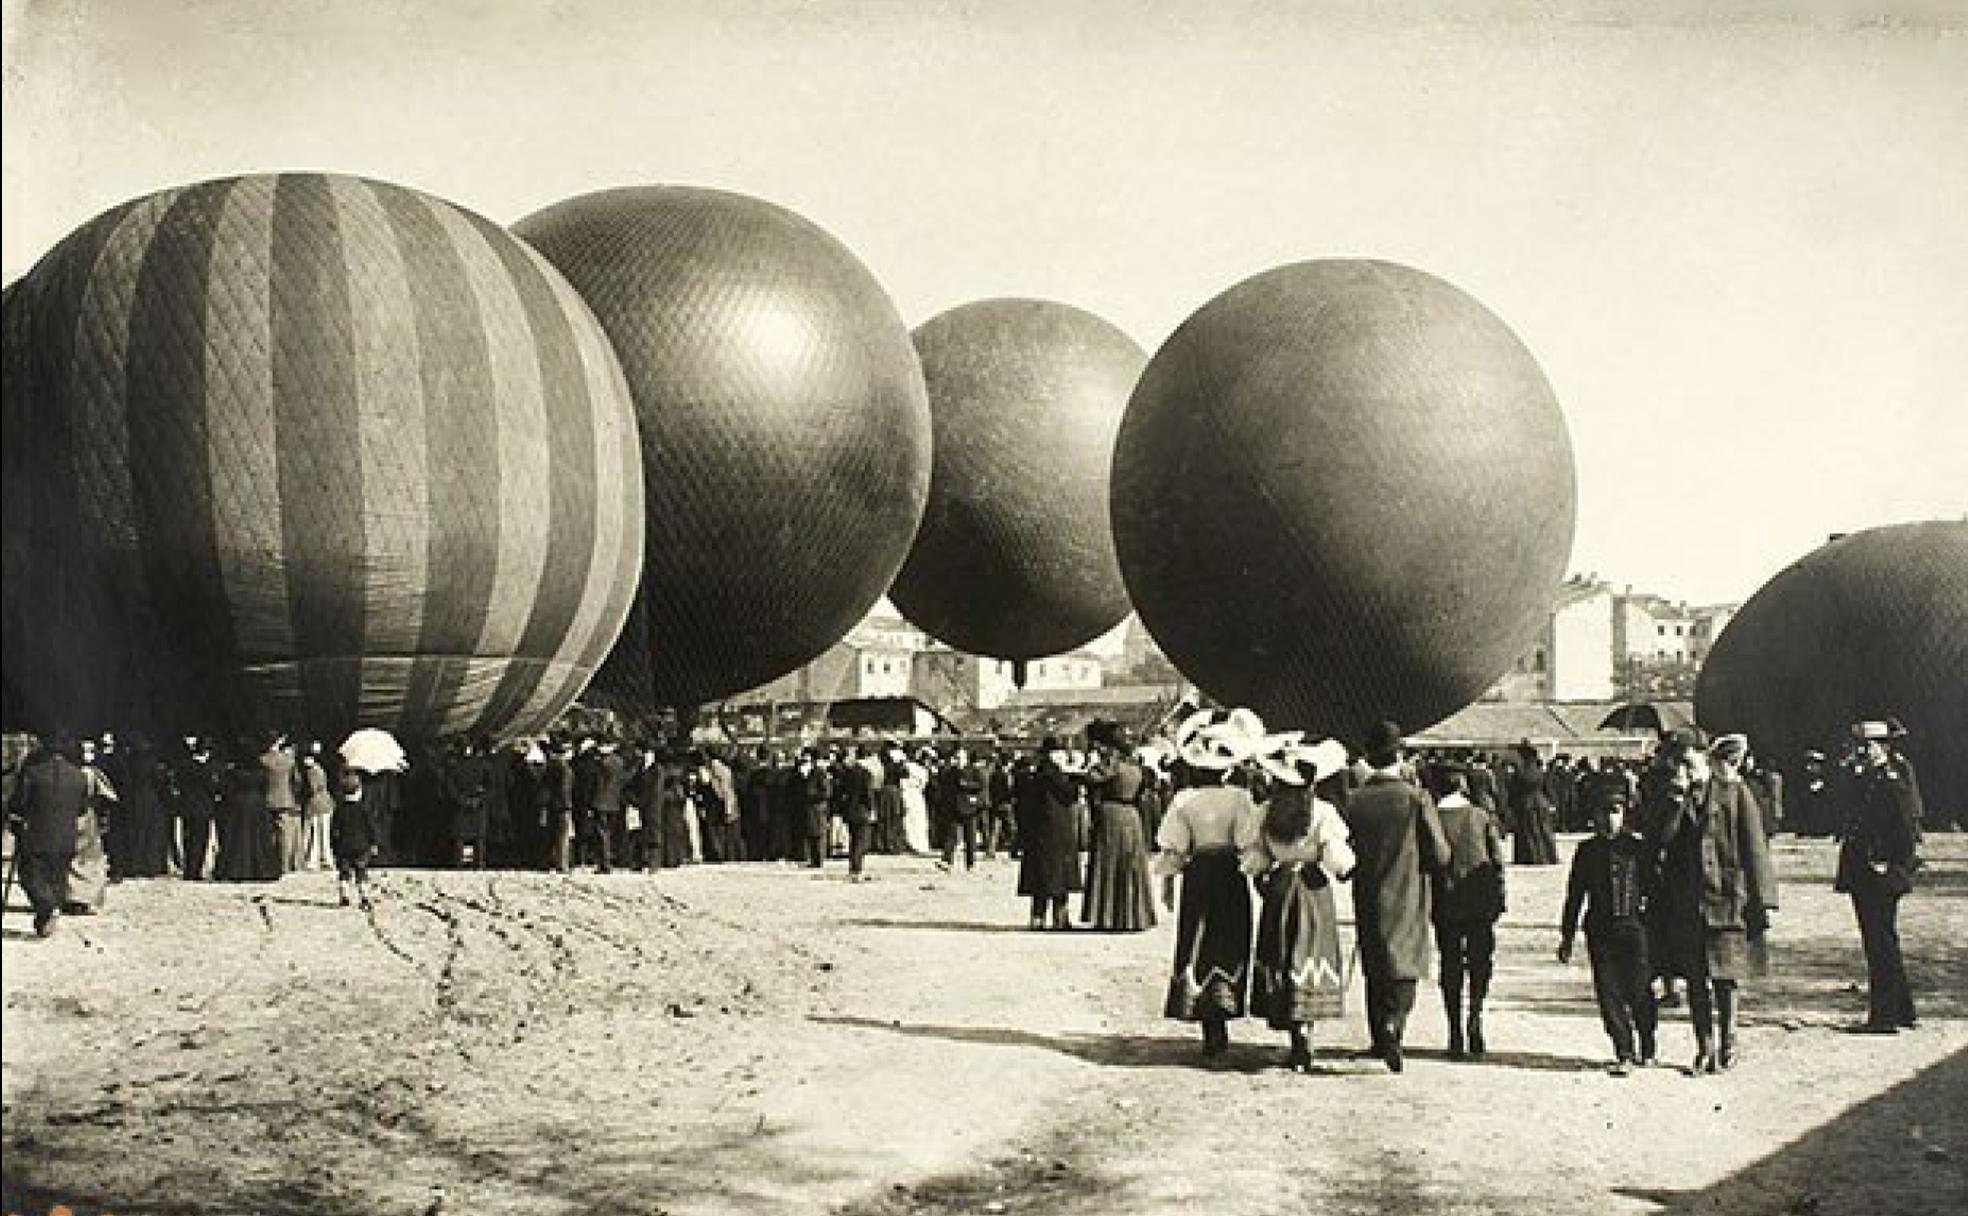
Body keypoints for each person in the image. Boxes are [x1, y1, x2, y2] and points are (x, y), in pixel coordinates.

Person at [1647, 732, 1777, 1074]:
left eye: (1690, 762)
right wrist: (1675, 802)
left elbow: (1755, 845)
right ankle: (1704, 1047)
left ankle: (1729, 1041)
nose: (1684, 770)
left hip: (1727, 897)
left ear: (1705, 759)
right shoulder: (1676, 798)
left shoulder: (1734, 792)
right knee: (1695, 977)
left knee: (1726, 976)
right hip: (1687, 901)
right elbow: (1660, 841)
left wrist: (1762, 898)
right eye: (1679, 764)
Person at [1242, 740, 1355, 1072]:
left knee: (1283, 952)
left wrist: (1262, 876)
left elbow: (1255, 857)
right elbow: (1338, 859)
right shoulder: (1323, 812)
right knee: (1309, 954)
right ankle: (1306, 1030)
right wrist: (1347, 870)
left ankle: (1294, 1032)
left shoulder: (1266, 812)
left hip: (1280, 888)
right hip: (1312, 887)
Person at [1342, 721, 1447, 1073]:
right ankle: (1394, 1025)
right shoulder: (1416, 798)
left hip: (1369, 889)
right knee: (1405, 963)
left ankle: (1378, 1035)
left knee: (1375, 961)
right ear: (1399, 755)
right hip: (1409, 888)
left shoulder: (1356, 801)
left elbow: (1346, 849)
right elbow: (1439, 852)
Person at [1156, 757, 1261, 1056]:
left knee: (1198, 941)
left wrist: (1167, 884)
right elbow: (1248, 840)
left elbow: (1174, 847)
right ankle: (1222, 1008)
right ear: (1225, 769)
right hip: (1229, 874)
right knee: (1228, 939)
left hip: (1199, 873)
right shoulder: (1238, 798)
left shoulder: (1184, 800)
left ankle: (1210, 1026)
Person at [1559, 785, 1659, 1075]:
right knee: (1608, 992)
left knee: (1640, 988)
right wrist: (1566, 936)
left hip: (1635, 929)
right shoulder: (1587, 851)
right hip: (1600, 932)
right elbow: (1575, 894)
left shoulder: (1637, 848)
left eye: (1615, 812)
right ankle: (1623, 1051)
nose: (1609, 819)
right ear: (1594, 817)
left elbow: (1655, 889)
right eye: (1603, 813)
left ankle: (1648, 1043)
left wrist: (1655, 929)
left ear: (1624, 814)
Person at [1834, 720, 1923, 1033]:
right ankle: (1902, 1010)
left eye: (1868, 746)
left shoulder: (1893, 779)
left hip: (1880, 872)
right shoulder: (1871, 776)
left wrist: (1891, 862)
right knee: (1884, 940)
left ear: (1884, 746)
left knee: (1879, 943)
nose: (1863, 751)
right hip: (1867, 870)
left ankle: (1883, 1017)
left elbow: (1906, 827)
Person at [1427, 760, 1506, 1060]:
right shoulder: (1479, 816)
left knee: (1450, 965)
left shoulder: (1432, 817)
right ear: (1461, 784)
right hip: (1479, 901)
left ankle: (1454, 1029)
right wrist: (1499, 897)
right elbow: (1496, 861)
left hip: (1444, 901)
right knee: (1480, 961)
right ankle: (1476, 1014)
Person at [7, 735, 89, 936]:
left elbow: (18, 804)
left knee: (29, 875)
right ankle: (46, 920)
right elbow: (82, 809)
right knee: (57, 878)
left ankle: (47, 908)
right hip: (66, 837)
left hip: (37, 835)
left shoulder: (33, 774)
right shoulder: (79, 777)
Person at [1081, 730, 1157, 931]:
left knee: (1109, 863)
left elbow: (1091, 778)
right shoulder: (1136, 768)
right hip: (1132, 815)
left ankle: (1107, 916)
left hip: (1112, 814)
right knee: (1131, 864)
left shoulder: (1112, 766)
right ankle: (1135, 916)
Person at [1016, 740, 1084, 929]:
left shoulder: (1034, 775)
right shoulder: (1056, 775)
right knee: (1059, 876)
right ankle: (1060, 918)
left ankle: (1037, 918)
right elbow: (1070, 795)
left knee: (1040, 877)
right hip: (1057, 829)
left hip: (1037, 830)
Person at [332, 768, 381, 910]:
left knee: (344, 872)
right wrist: (374, 843)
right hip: (362, 846)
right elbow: (371, 827)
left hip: (343, 846)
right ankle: (364, 897)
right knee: (361, 871)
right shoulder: (364, 809)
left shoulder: (339, 809)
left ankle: (344, 896)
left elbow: (334, 830)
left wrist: (334, 846)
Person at [1506, 741, 1559, 865]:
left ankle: (1532, 857)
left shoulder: (1522, 771)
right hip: (1540, 802)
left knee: (1529, 831)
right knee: (1543, 831)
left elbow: (1516, 788)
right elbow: (1548, 787)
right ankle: (1548, 856)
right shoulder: (1539, 769)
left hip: (1526, 803)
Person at [298, 742, 336, 871]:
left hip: (316, 804)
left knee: (315, 833)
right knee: (323, 833)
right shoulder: (319, 769)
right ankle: (326, 859)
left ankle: (314, 860)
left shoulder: (312, 772)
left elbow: (312, 789)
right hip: (325, 803)